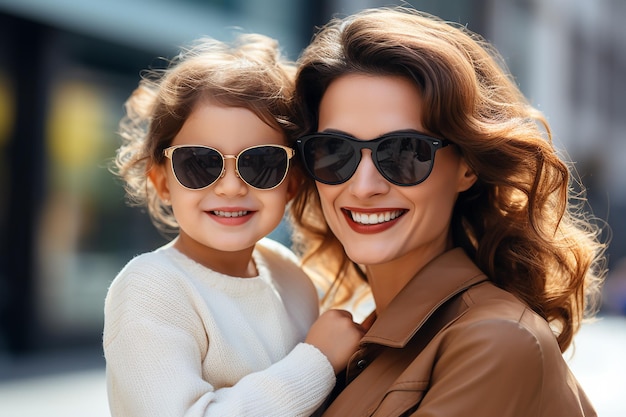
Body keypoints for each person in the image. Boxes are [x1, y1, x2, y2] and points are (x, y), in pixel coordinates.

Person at [289, 6, 607, 416]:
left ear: (468, 166)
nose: (364, 187)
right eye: (335, 151)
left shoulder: (496, 340)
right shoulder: (354, 339)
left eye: (405, 152)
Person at [103, 33, 361, 417]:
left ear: (291, 183)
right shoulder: (152, 287)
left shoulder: (288, 273)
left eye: (260, 162)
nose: (229, 187)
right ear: (162, 182)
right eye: (200, 162)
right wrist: (318, 360)